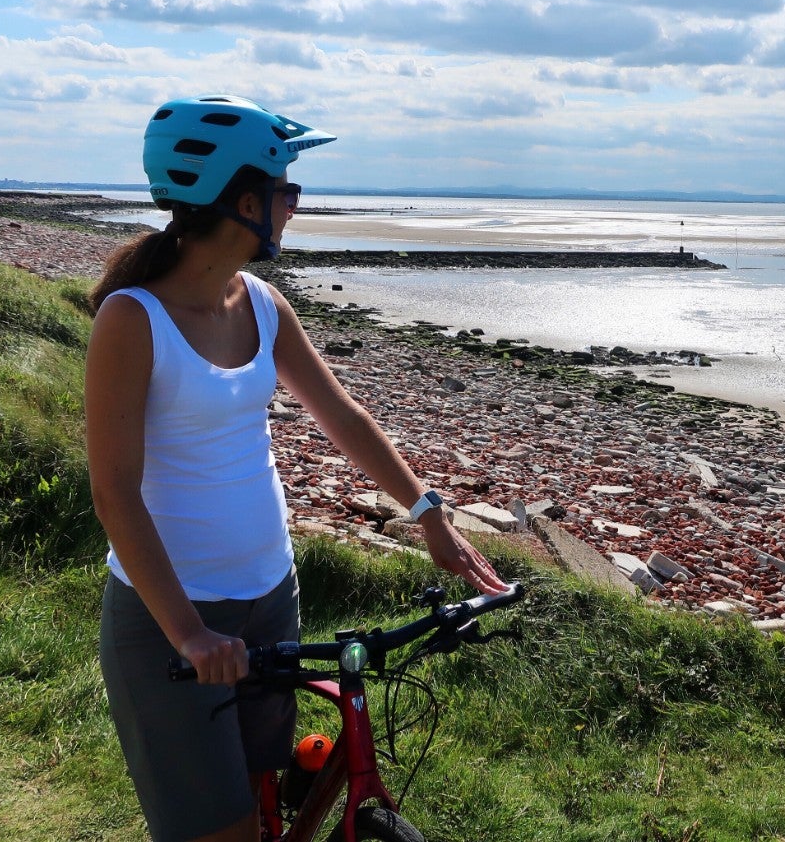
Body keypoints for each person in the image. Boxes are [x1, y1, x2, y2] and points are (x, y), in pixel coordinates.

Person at [85, 95, 506, 842]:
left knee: (262, 811)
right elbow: (114, 492)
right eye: (290, 192)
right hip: (170, 621)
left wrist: (427, 513)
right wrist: (188, 634)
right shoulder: (132, 318)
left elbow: (343, 416)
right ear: (246, 202)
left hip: (271, 598)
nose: (294, 208)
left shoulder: (264, 303)